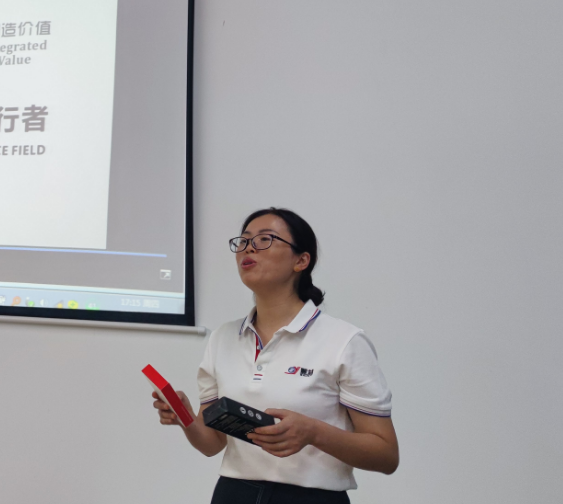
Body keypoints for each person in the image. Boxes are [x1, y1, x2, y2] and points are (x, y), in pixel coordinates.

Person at [151, 208, 398, 503]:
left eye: (264, 239)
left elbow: (386, 455)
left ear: (301, 261)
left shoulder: (344, 341)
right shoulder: (222, 338)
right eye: (243, 241)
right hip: (233, 493)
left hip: (311, 498)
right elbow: (212, 444)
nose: (248, 248)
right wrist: (186, 418)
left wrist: (313, 432)